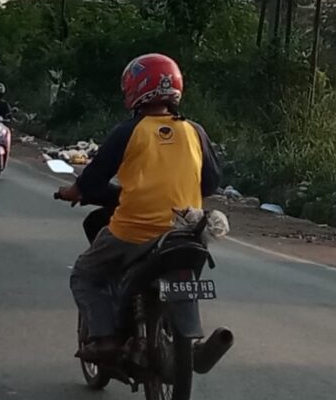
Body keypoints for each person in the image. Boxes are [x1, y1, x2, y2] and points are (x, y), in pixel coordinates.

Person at [57, 53, 221, 361]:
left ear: (136, 88)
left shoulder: (130, 131)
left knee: (85, 274)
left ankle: (105, 339)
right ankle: (185, 339)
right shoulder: (196, 131)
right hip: (186, 234)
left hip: (134, 232)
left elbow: (91, 184)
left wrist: (74, 192)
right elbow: (210, 183)